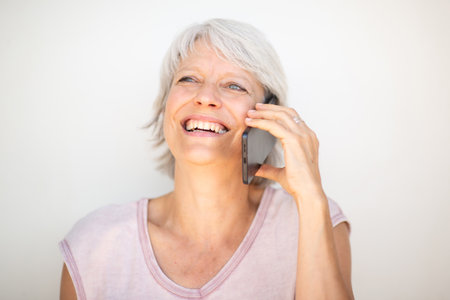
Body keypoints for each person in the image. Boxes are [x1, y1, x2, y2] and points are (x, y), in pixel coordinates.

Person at [59, 19, 353, 300]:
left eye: (234, 85)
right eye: (189, 79)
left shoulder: (314, 221)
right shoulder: (94, 246)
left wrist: (312, 199)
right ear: (165, 107)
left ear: (269, 117)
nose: (205, 97)